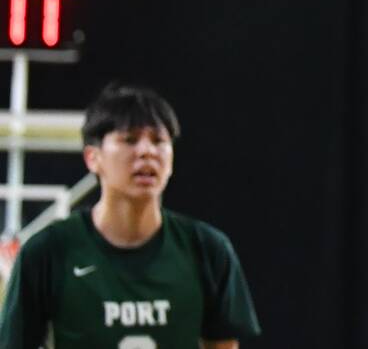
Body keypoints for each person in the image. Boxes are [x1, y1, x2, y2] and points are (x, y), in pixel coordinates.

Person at [0, 81, 260, 349]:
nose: (147, 151)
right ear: (93, 157)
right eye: (130, 139)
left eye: (159, 140)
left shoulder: (208, 249)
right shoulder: (47, 252)